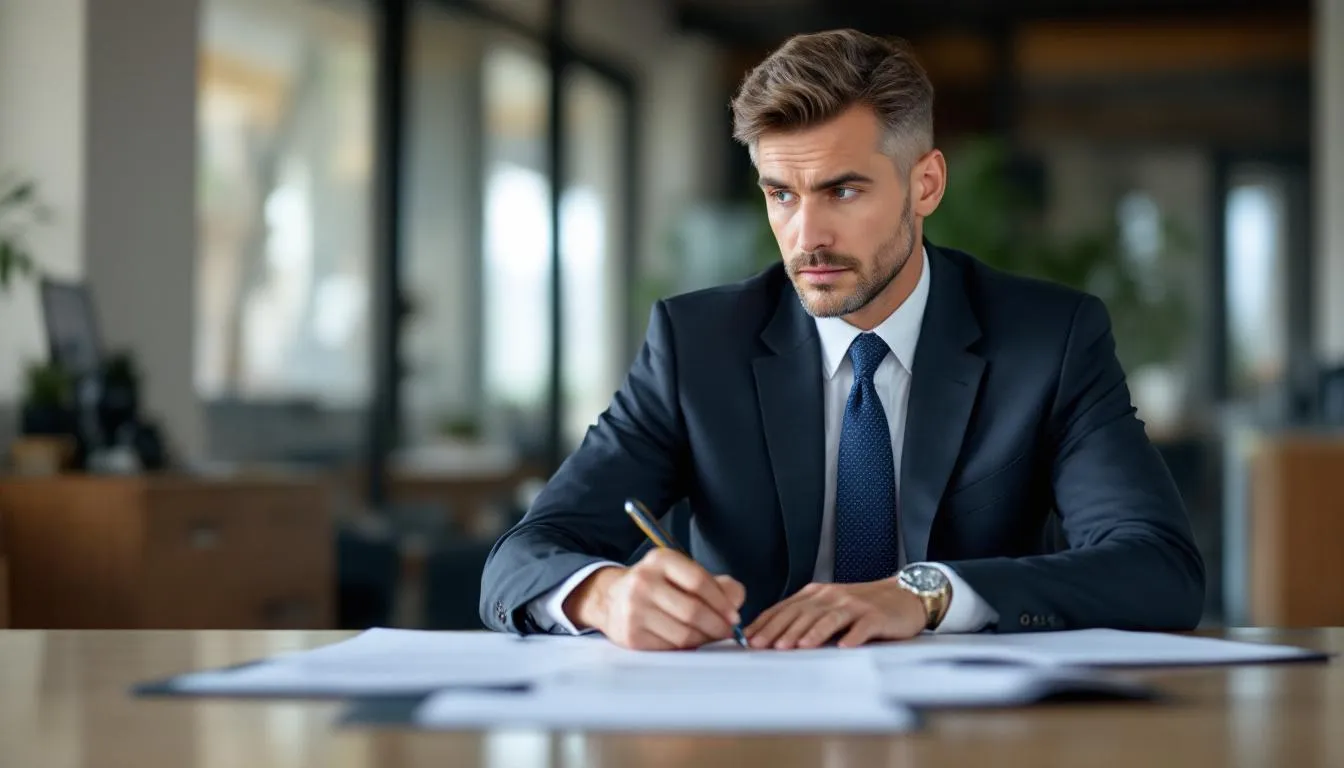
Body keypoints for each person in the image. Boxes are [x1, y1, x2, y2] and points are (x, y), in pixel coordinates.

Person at [479, 28, 1205, 651]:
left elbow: (1158, 569)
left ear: (925, 184)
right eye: (781, 194)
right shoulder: (697, 345)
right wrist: (604, 596)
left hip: (971, 733)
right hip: (746, 731)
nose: (806, 236)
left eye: (843, 191)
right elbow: (521, 558)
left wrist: (928, 594)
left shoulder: (1048, 340)